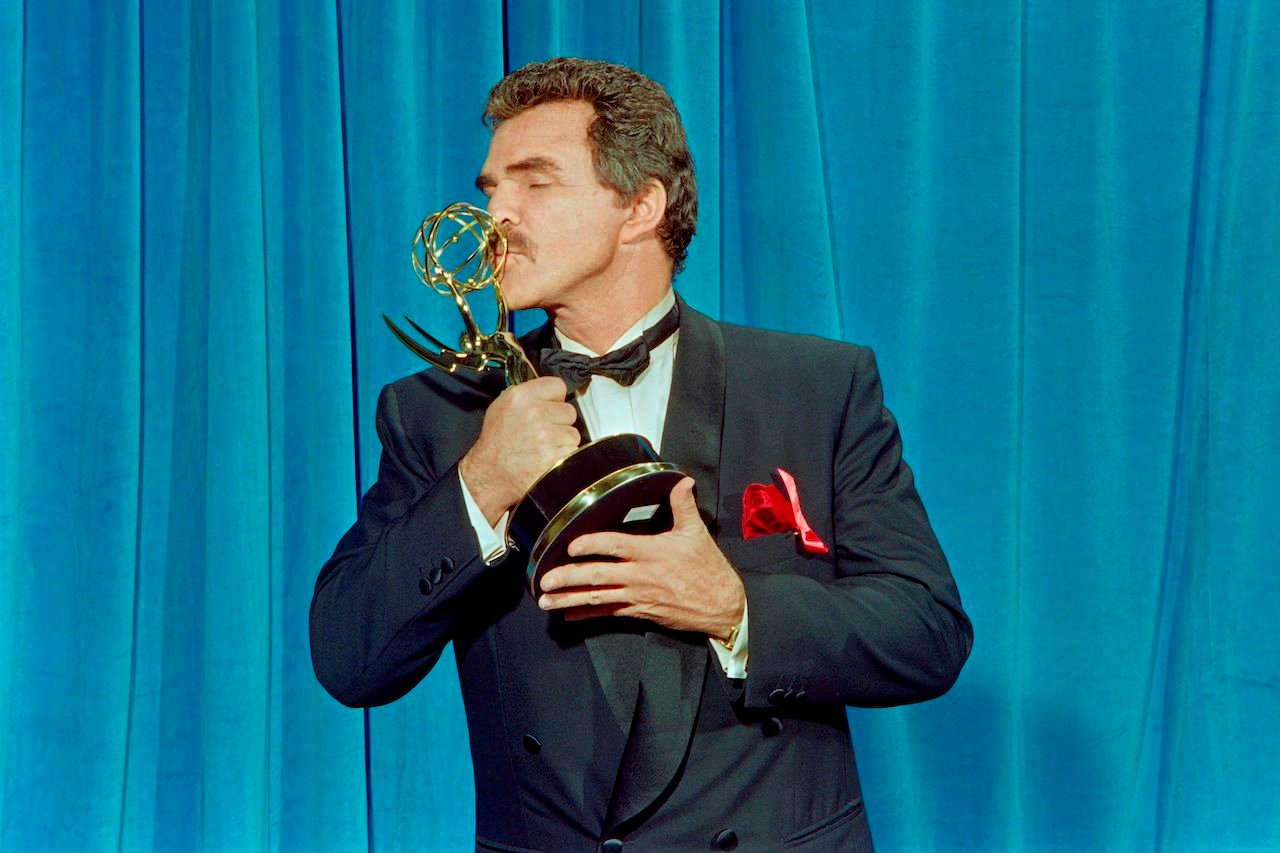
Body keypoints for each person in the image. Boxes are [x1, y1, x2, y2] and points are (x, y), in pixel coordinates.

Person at [310, 57, 972, 853]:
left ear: (640, 205)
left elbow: (928, 632)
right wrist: (481, 485)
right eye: (490, 187)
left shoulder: (818, 387)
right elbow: (348, 659)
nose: (494, 215)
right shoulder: (438, 414)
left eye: (534, 182)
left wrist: (735, 608)